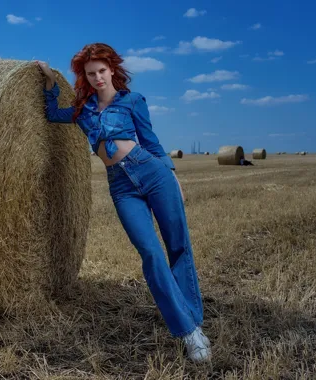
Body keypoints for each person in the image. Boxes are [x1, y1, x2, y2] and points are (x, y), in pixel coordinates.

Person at [36, 43, 211, 363]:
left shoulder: (133, 101)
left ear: (112, 69)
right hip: (121, 187)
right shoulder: (81, 110)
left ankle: (193, 320)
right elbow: (50, 113)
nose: (98, 77)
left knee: (178, 245)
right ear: (85, 77)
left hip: (153, 173)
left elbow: (151, 142)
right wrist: (49, 81)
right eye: (91, 73)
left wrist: (173, 177)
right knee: (151, 252)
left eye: (102, 71)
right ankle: (188, 331)